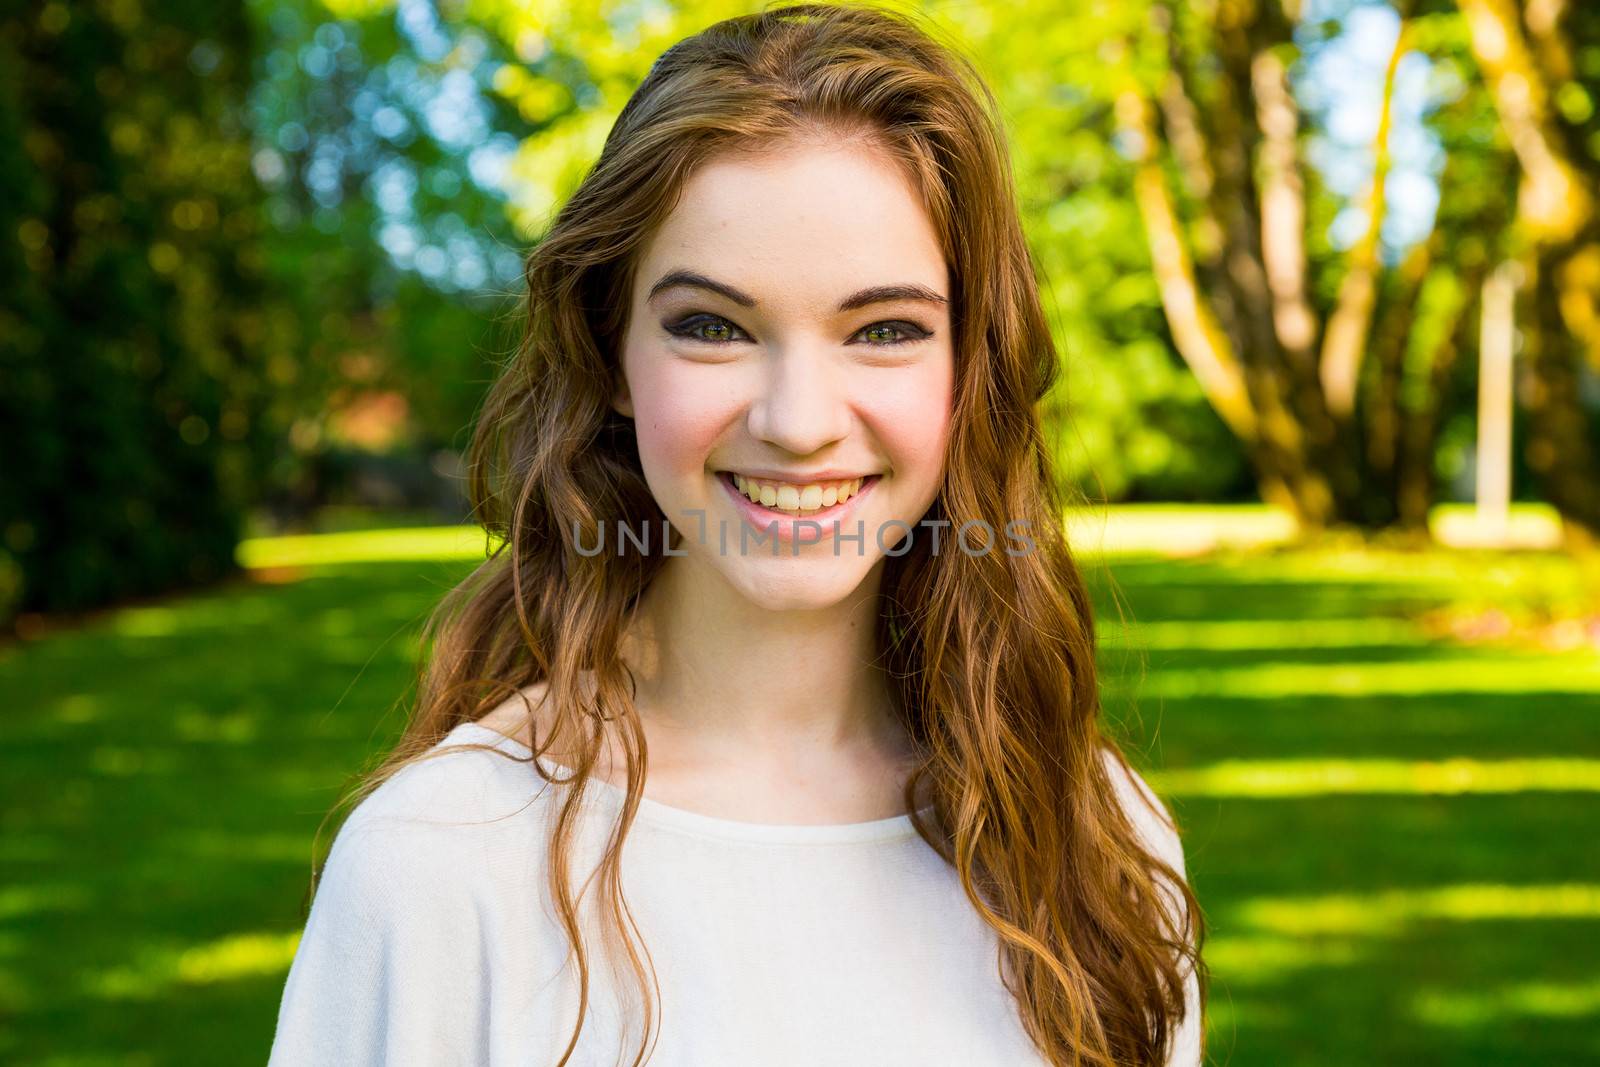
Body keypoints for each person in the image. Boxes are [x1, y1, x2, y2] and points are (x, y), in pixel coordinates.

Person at [267, 4, 1207, 1065]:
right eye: (711, 326)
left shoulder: (1097, 840)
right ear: (610, 353)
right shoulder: (439, 863)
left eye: (883, 329)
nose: (797, 421)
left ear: (966, 372)